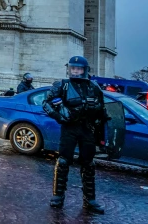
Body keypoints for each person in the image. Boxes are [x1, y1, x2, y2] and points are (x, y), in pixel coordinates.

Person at [42, 56, 107, 214]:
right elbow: (46, 103)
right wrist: (59, 116)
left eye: (79, 69)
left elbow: (102, 109)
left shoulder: (94, 87)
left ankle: (90, 199)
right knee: (64, 161)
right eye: (73, 68)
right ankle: (58, 196)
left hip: (87, 129)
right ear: (69, 69)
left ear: (85, 70)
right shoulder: (62, 85)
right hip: (69, 128)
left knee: (88, 164)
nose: (76, 71)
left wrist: (100, 129)